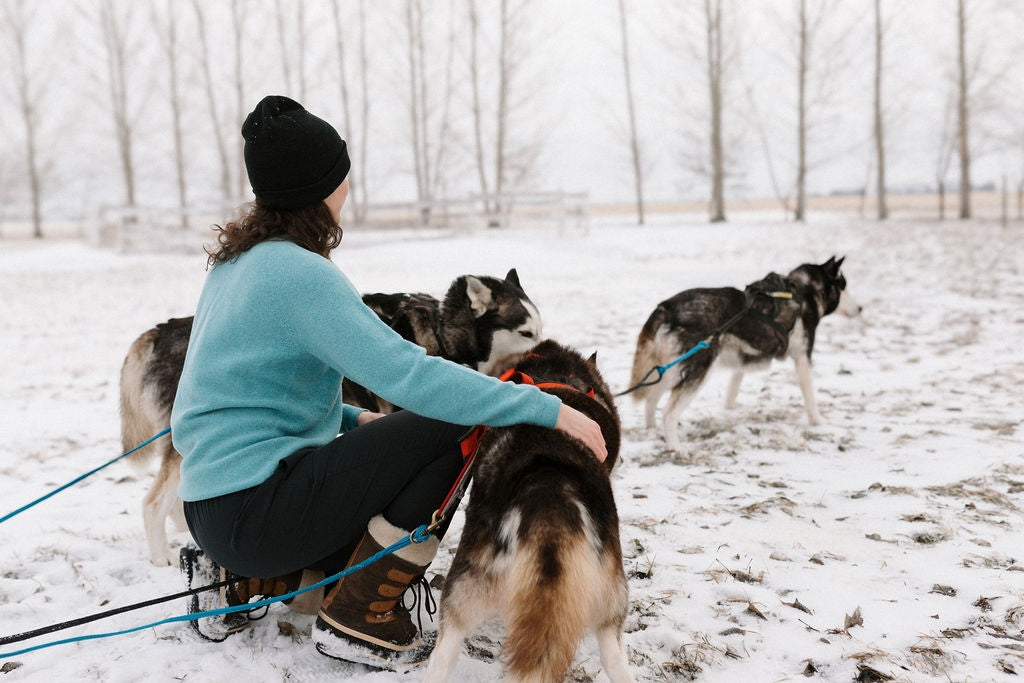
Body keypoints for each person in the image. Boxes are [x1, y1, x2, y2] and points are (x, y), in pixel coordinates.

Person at [169, 95, 607, 669]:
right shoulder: (300, 273)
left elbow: (241, 394)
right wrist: (542, 406)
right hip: (257, 510)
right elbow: (410, 374)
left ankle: (245, 579)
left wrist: (354, 420)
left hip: (214, 509)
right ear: (321, 186)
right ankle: (362, 616)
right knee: (456, 421)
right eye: (341, 174)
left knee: (393, 451)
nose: (348, 186)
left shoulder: (236, 265)